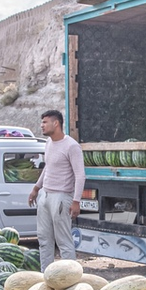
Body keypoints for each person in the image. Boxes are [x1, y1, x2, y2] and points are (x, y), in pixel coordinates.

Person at [28, 109, 86, 269]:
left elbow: (80, 176)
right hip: (45, 196)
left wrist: (76, 201)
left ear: (56, 123)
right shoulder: (48, 143)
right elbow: (48, 167)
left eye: (45, 122)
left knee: (64, 242)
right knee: (44, 240)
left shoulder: (72, 146)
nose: (42, 126)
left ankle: (70, 278)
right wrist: (36, 188)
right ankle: (45, 276)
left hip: (61, 198)